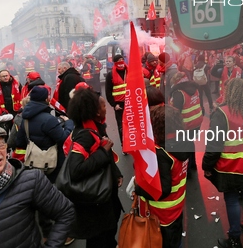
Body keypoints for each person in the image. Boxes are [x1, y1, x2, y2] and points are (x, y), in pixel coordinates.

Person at [202, 78, 243, 248]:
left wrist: (207, 166)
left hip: (231, 167)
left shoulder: (222, 113)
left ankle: (234, 238)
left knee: (232, 198)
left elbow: (214, 145)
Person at [64, 87, 123, 248]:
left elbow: (107, 158)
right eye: (103, 106)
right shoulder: (84, 135)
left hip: (105, 197)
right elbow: (75, 170)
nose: (106, 109)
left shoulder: (96, 127)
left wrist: (116, 173)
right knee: (100, 239)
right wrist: (104, 151)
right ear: (95, 112)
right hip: (97, 203)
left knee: (107, 234)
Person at [135, 105, 189, 248]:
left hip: (162, 213)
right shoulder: (185, 142)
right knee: (176, 239)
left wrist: (139, 189)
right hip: (177, 204)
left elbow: (163, 189)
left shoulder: (162, 154)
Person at [15, 86, 73, 183]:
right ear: (46, 99)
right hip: (52, 164)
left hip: (34, 163)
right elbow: (63, 138)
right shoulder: (49, 119)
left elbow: (19, 142)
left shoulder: (25, 119)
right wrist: (68, 123)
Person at [169, 71, 202, 173]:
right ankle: (193, 164)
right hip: (197, 121)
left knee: (185, 145)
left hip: (186, 124)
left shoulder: (178, 93)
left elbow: (176, 112)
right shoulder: (195, 89)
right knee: (190, 142)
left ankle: (187, 167)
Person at [105, 55, 127, 147]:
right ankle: (124, 144)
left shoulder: (129, 71)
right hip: (119, 105)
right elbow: (108, 91)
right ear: (115, 62)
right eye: (119, 60)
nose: (121, 62)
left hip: (130, 103)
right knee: (121, 125)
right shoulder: (110, 75)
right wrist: (114, 105)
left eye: (122, 59)